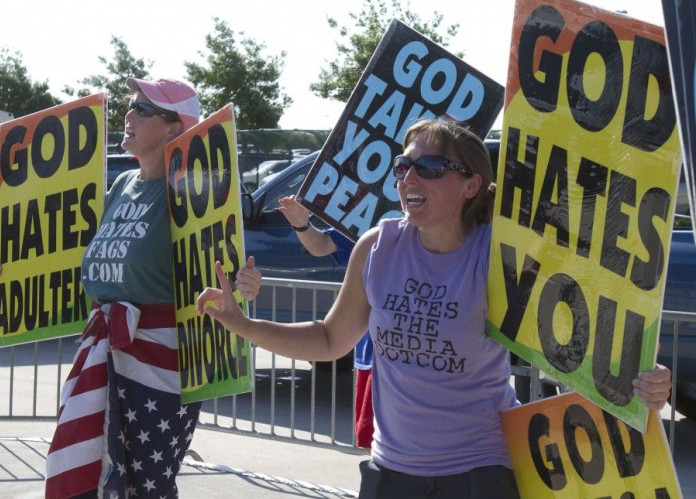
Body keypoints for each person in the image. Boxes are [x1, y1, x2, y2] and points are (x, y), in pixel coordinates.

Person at [196, 117, 672, 498]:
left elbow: (586, 341)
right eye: (403, 166)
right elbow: (327, 338)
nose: (408, 178)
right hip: (391, 474)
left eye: (429, 167)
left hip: (479, 475)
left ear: (471, 185)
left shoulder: (500, 256)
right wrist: (244, 324)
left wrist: (644, 378)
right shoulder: (376, 246)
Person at [0, 77, 263, 498]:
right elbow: (86, 265)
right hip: (105, 352)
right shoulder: (121, 186)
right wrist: (9, 274)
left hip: (162, 366)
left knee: (145, 488)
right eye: (131, 105)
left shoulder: (189, 190)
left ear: (175, 128)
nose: (128, 116)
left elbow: (219, 272)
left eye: (143, 109)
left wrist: (246, 283)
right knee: (94, 480)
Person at [278, 195, 374, 448]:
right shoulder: (374, 223)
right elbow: (321, 245)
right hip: (373, 359)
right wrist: (302, 224)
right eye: (401, 168)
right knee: (380, 453)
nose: (408, 176)